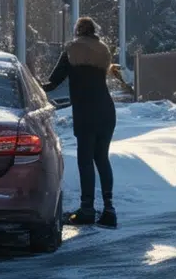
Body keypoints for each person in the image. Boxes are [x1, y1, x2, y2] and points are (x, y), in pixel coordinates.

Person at [45, 17, 126, 228]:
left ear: (78, 31)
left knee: (85, 161)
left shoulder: (72, 49)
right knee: (102, 159)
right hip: (107, 110)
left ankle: (87, 209)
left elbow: (54, 81)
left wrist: (32, 86)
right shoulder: (103, 50)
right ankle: (109, 210)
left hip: (86, 111)